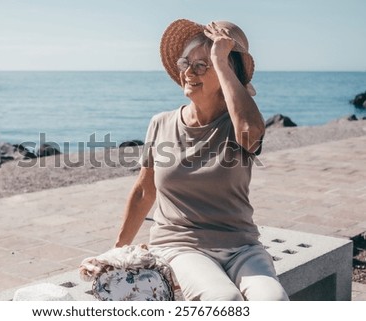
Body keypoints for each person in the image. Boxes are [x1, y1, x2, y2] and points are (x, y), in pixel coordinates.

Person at [115, 18, 289, 301]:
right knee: (224, 300)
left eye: (202, 64)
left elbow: (251, 133)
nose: (188, 73)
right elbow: (144, 191)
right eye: (186, 63)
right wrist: (118, 250)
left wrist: (219, 59)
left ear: (226, 72)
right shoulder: (161, 123)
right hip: (179, 245)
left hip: (242, 246)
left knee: (274, 301)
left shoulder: (238, 124)